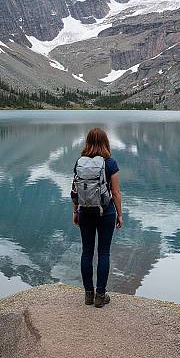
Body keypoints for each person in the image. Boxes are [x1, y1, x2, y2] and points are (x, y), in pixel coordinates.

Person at [71, 127, 123, 308]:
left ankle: (88, 295)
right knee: (103, 253)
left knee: (86, 252)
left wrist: (75, 211)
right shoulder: (110, 163)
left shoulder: (80, 162)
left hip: (85, 212)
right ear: (105, 142)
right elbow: (115, 192)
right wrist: (120, 214)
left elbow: (75, 191)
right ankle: (101, 296)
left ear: (88, 142)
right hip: (105, 212)